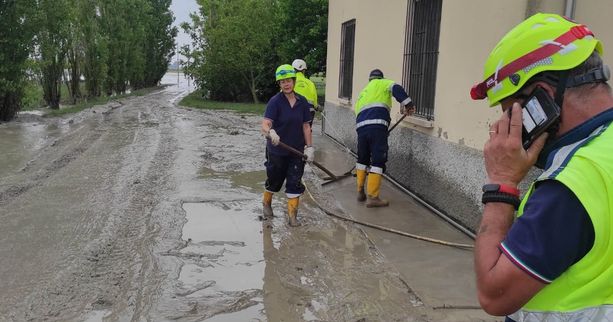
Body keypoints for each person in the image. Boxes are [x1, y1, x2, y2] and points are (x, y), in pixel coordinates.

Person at [471, 13, 613, 321]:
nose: (507, 127)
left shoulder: (571, 185)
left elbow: (494, 295)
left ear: (542, 99)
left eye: (511, 112)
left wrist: (502, 183)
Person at [261, 64, 314, 227]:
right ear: (279, 84)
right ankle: (266, 203)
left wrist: (310, 147)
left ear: (294, 81)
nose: (286, 84)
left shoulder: (302, 102)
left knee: (294, 181)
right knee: (275, 180)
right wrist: (271, 132)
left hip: (296, 151)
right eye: (282, 81)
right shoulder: (275, 102)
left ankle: (292, 217)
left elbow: (306, 126)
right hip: (277, 150)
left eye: (289, 80)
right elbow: (265, 123)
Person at [354, 69, 415, 207]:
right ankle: (373, 197)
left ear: (370, 79)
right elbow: (396, 88)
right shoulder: (383, 83)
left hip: (361, 128)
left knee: (362, 159)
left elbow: (358, 112)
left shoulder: (363, 92)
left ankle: (359, 191)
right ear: (380, 78)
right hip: (377, 127)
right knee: (377, 160)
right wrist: (409, 104)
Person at [292, 59, 319, 128]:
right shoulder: (310, 83)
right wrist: (316, 106)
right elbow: (315, 99)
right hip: (309, 111)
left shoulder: (290, 82)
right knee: (307, 131)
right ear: (304, 70)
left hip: (294, 110)